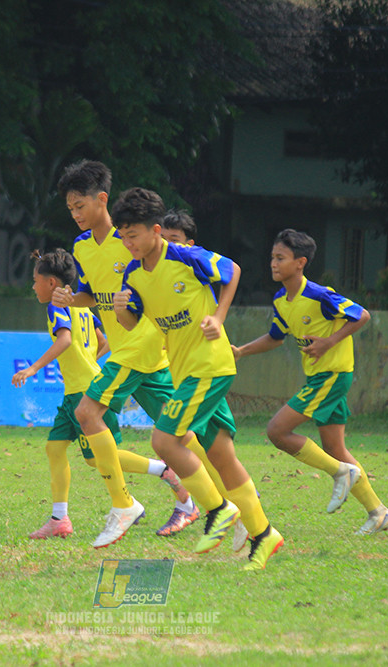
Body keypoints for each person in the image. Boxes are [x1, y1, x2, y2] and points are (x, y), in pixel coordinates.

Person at [53, 160, 225, 547]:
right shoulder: (81, 247)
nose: (76, 214)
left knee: (86, 413)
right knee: (180, 434)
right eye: (70, 209)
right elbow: (91, 295)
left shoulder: (131, 237)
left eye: (80, 205)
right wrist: (71, 298)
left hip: (141, 343)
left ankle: (123, 505)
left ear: (102, 199)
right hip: (143, 353)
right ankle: (229, 499)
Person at [113, 187, 283, 571]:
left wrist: (219, 317)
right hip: (185, 370)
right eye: (122, 236)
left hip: (210, 365)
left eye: (133, 234)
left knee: (163, 439)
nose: (128, 243)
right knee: (222, 455)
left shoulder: (186, 256)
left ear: (156, 230)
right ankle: (264, 535)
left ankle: (218, 509)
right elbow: (134, 321)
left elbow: (232, 271)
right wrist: (123, 310)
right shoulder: (133, 273)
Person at [16, 249, 189, 539]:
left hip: (84, 393)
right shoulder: (83, 306)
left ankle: (162, 471)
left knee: (98, 459)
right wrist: (88, 362)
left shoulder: (57, 305)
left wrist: (33, 368)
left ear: (52, 284)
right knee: (55, 448)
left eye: (36, 280)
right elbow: (103, 342)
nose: (33, 287)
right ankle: (60, 518)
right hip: (78, 389)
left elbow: (65, 339)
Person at [233, 229, 388, 535]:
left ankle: (340, 473)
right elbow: (275, 338)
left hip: (332, 376)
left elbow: (362, 316)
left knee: (277, 431)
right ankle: (378, 512)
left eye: (280, 258)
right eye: (272, 257)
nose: (273, 263)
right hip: (319, 376)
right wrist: (241, 351)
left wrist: (328, 342)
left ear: (300, 263)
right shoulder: (282, 300)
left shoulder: (320, 295)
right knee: (335, 447)